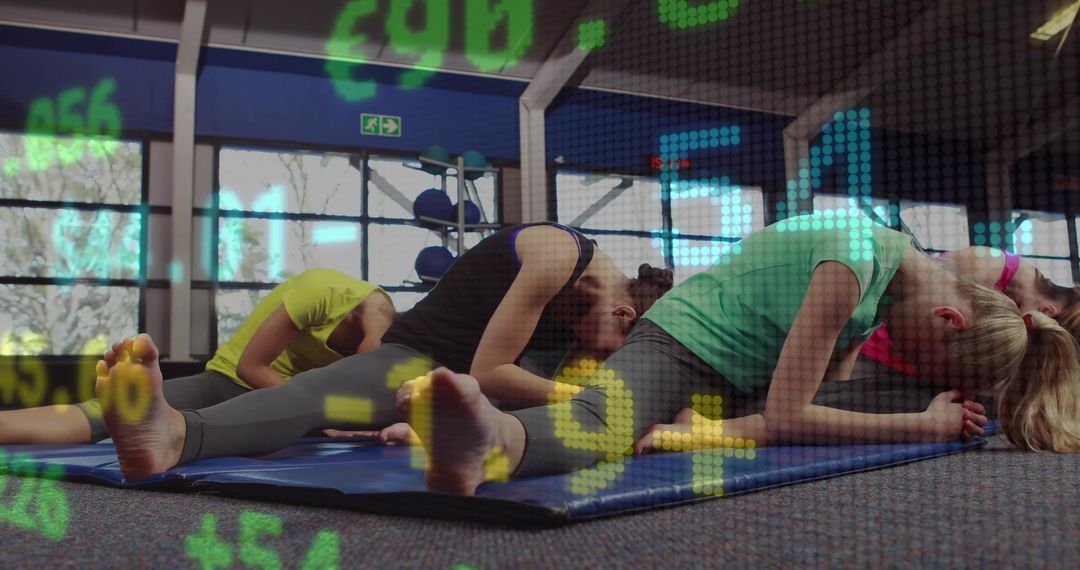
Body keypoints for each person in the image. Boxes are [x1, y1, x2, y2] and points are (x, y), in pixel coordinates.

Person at [389, 213, 1080, 495]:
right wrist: (921, 423)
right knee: (604, 423)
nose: (907, 356)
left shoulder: (886, 291)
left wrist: (712, 430)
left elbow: (813, 399)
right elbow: (788, 414)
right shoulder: (853, 263)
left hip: (739, 382)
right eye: (930, 356)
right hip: (688, 343)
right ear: (949, 316)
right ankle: (482, 437)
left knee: (873, 394)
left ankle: (450, 423)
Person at [97, 222, 673, 480]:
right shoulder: (557, 256)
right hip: (417, 358)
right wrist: (585, 395)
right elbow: (491, 372)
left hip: (456, 395)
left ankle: (422, 428)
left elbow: (522, 383)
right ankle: (176, 434)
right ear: (623, 314)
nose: (602, 357)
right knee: (314, 396)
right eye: (619, 347)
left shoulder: (581, 307)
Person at [0, 268, 394, 445]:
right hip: (229, 384)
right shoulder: (319, 289)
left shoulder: (393, 328)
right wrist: (324, 414)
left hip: (294, 409)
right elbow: (249, 367)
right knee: (110, 414)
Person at [859, 246, 1080, 376]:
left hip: (921, 368)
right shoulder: (982, 265)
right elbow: (909, 311)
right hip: (872, 352)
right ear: (1047, 311)